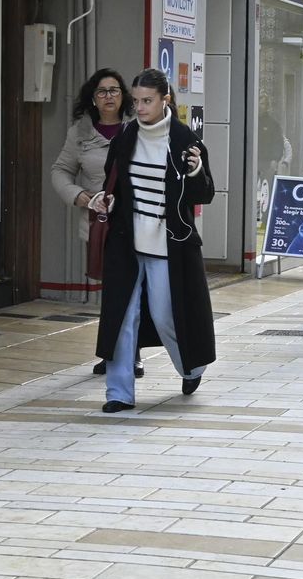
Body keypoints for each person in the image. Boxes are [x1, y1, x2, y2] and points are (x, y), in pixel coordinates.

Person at [89, 69, 216, 412]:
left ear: (165, 100)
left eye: (147, 100)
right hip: (126, 242)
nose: (140, 107)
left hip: (168, 245)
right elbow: (113, 183)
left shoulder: (184, 140)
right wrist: (107, 200)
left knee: (164, 315)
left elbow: (205, 193)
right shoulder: (126, 137)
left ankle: (191, 367)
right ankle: (118, 392)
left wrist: (194, 171)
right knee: (122, 318)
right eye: (137, 101)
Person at [51, 69, 141, 378]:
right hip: (100, 223)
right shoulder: (80, 132)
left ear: (123, 95)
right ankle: (113, 352)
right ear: (93, 98)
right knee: (113, 290)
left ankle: (131, 353)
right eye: (102, 92)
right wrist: (81, 196)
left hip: (137, 220)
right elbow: (60, 170)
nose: (109, 97)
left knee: (133, 287)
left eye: (114, 90)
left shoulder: (139, 128)